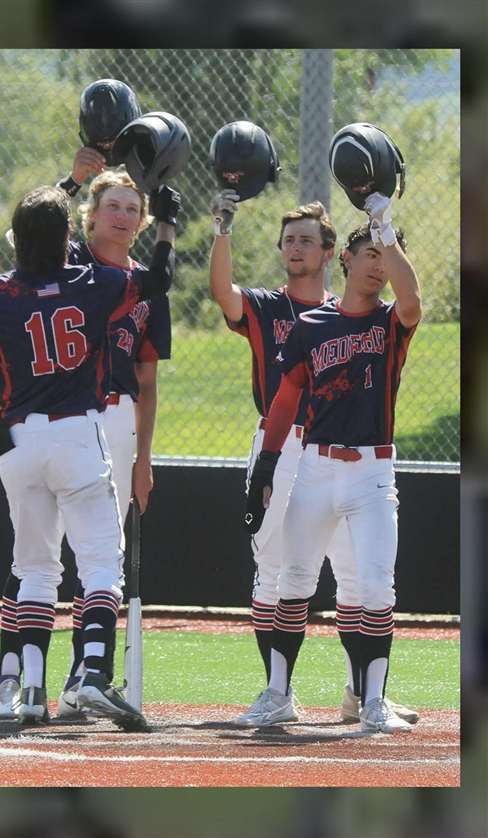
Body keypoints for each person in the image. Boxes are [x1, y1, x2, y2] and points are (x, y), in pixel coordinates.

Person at [0, 185, 172, 728]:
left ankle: (33, 687)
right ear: (68, 239)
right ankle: (91, 672)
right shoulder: (92, 282)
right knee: (99, 563)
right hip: (76, 434)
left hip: (19, 444)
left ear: (17, 241)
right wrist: (164, 228)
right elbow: (156, 281)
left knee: (35, 569)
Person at [209, 190, 418, 727]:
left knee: (373, 584)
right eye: (369, 253)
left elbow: (412, 296)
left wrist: (386, 229)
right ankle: (278, 694)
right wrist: (265, 466)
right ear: (345, 259)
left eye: (386, 256)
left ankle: (372, 702)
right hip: (315, 467)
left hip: (372, 469)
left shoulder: (392, 323)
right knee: (292, 579)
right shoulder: (311, 324)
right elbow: (284, 399)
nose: (379, 264)